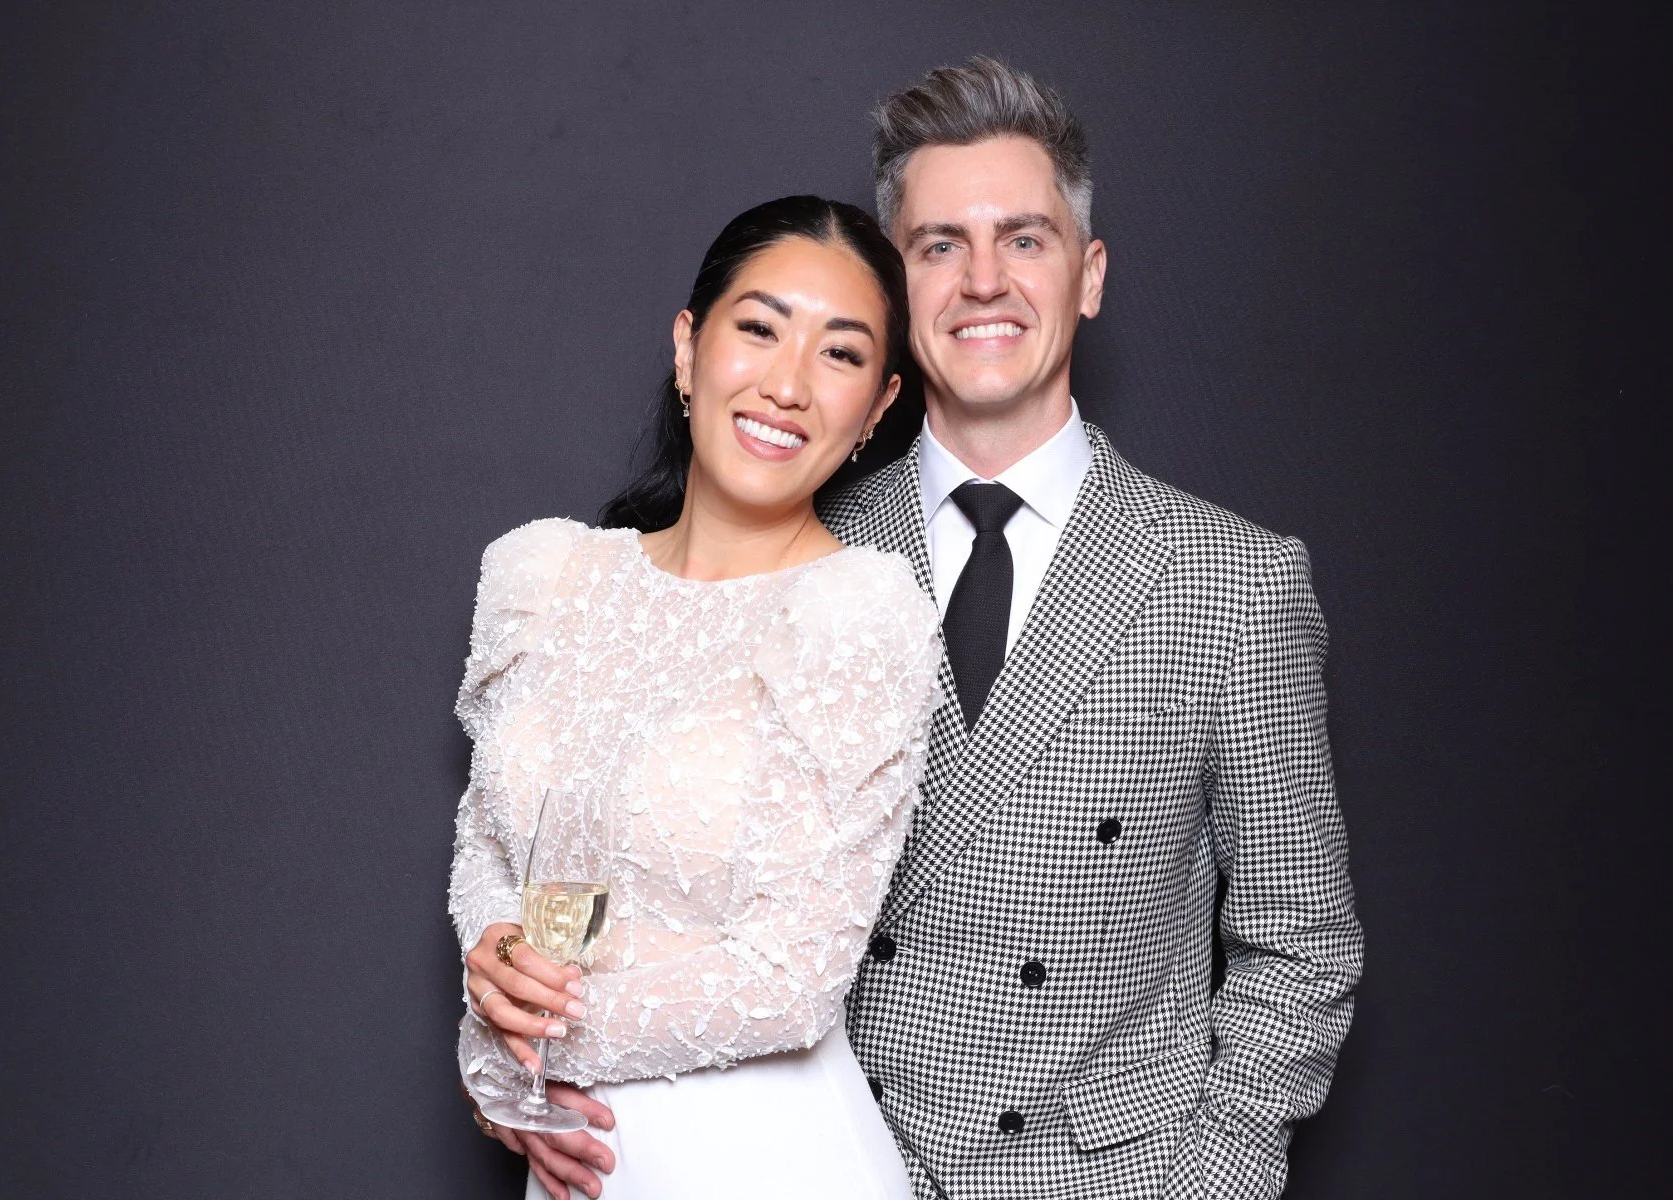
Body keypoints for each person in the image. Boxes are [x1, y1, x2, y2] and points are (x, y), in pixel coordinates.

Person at [512, 56, 1364, 1200]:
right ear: (896, 289)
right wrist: (517, 1015)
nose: (984, 282)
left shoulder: (1231, 582)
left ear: (1089, 273)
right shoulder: (799, 550)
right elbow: (620, 838)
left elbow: (1299, 950)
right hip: (811, 1161)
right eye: (939, 246)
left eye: (1026, 238)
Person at [450, 195, 943, 1199]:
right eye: (759, 329)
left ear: (878, 408)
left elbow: (792, 978)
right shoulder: (549, 580)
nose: (788, 384)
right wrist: (500, 974)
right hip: (582, 1162)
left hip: (765, 1158)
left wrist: (522, 1046)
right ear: (689, 346)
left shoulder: (855, 615)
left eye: (839, 355)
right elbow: (513, 858)